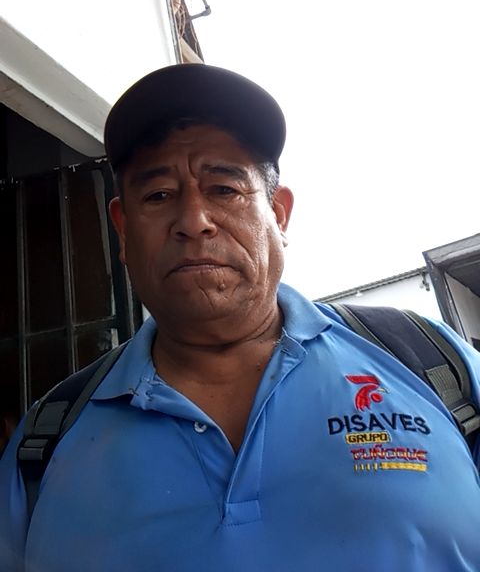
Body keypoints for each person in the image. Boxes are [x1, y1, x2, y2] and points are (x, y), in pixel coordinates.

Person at [1, 64, 480, 572]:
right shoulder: (46, 442)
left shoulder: (429, 363)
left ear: (279, 214)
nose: (193, 222)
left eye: (224, 190)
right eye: (159, 195)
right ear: (122, 230)